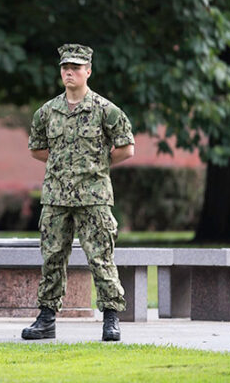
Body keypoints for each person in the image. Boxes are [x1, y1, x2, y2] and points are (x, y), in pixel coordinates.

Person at [21, 44, 134, 342]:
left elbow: (126, 148)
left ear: (88, 71)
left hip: (93, 196)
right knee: (52, 258)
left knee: (101, 257)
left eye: (75, 67)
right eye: (64, 67)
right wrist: (63, 163)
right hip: (56, 196)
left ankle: (111, 319)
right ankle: (46, 319)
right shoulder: (47, 111)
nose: (69, 72)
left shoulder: (106, 110)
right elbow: (37, 149)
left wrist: (98, 164)